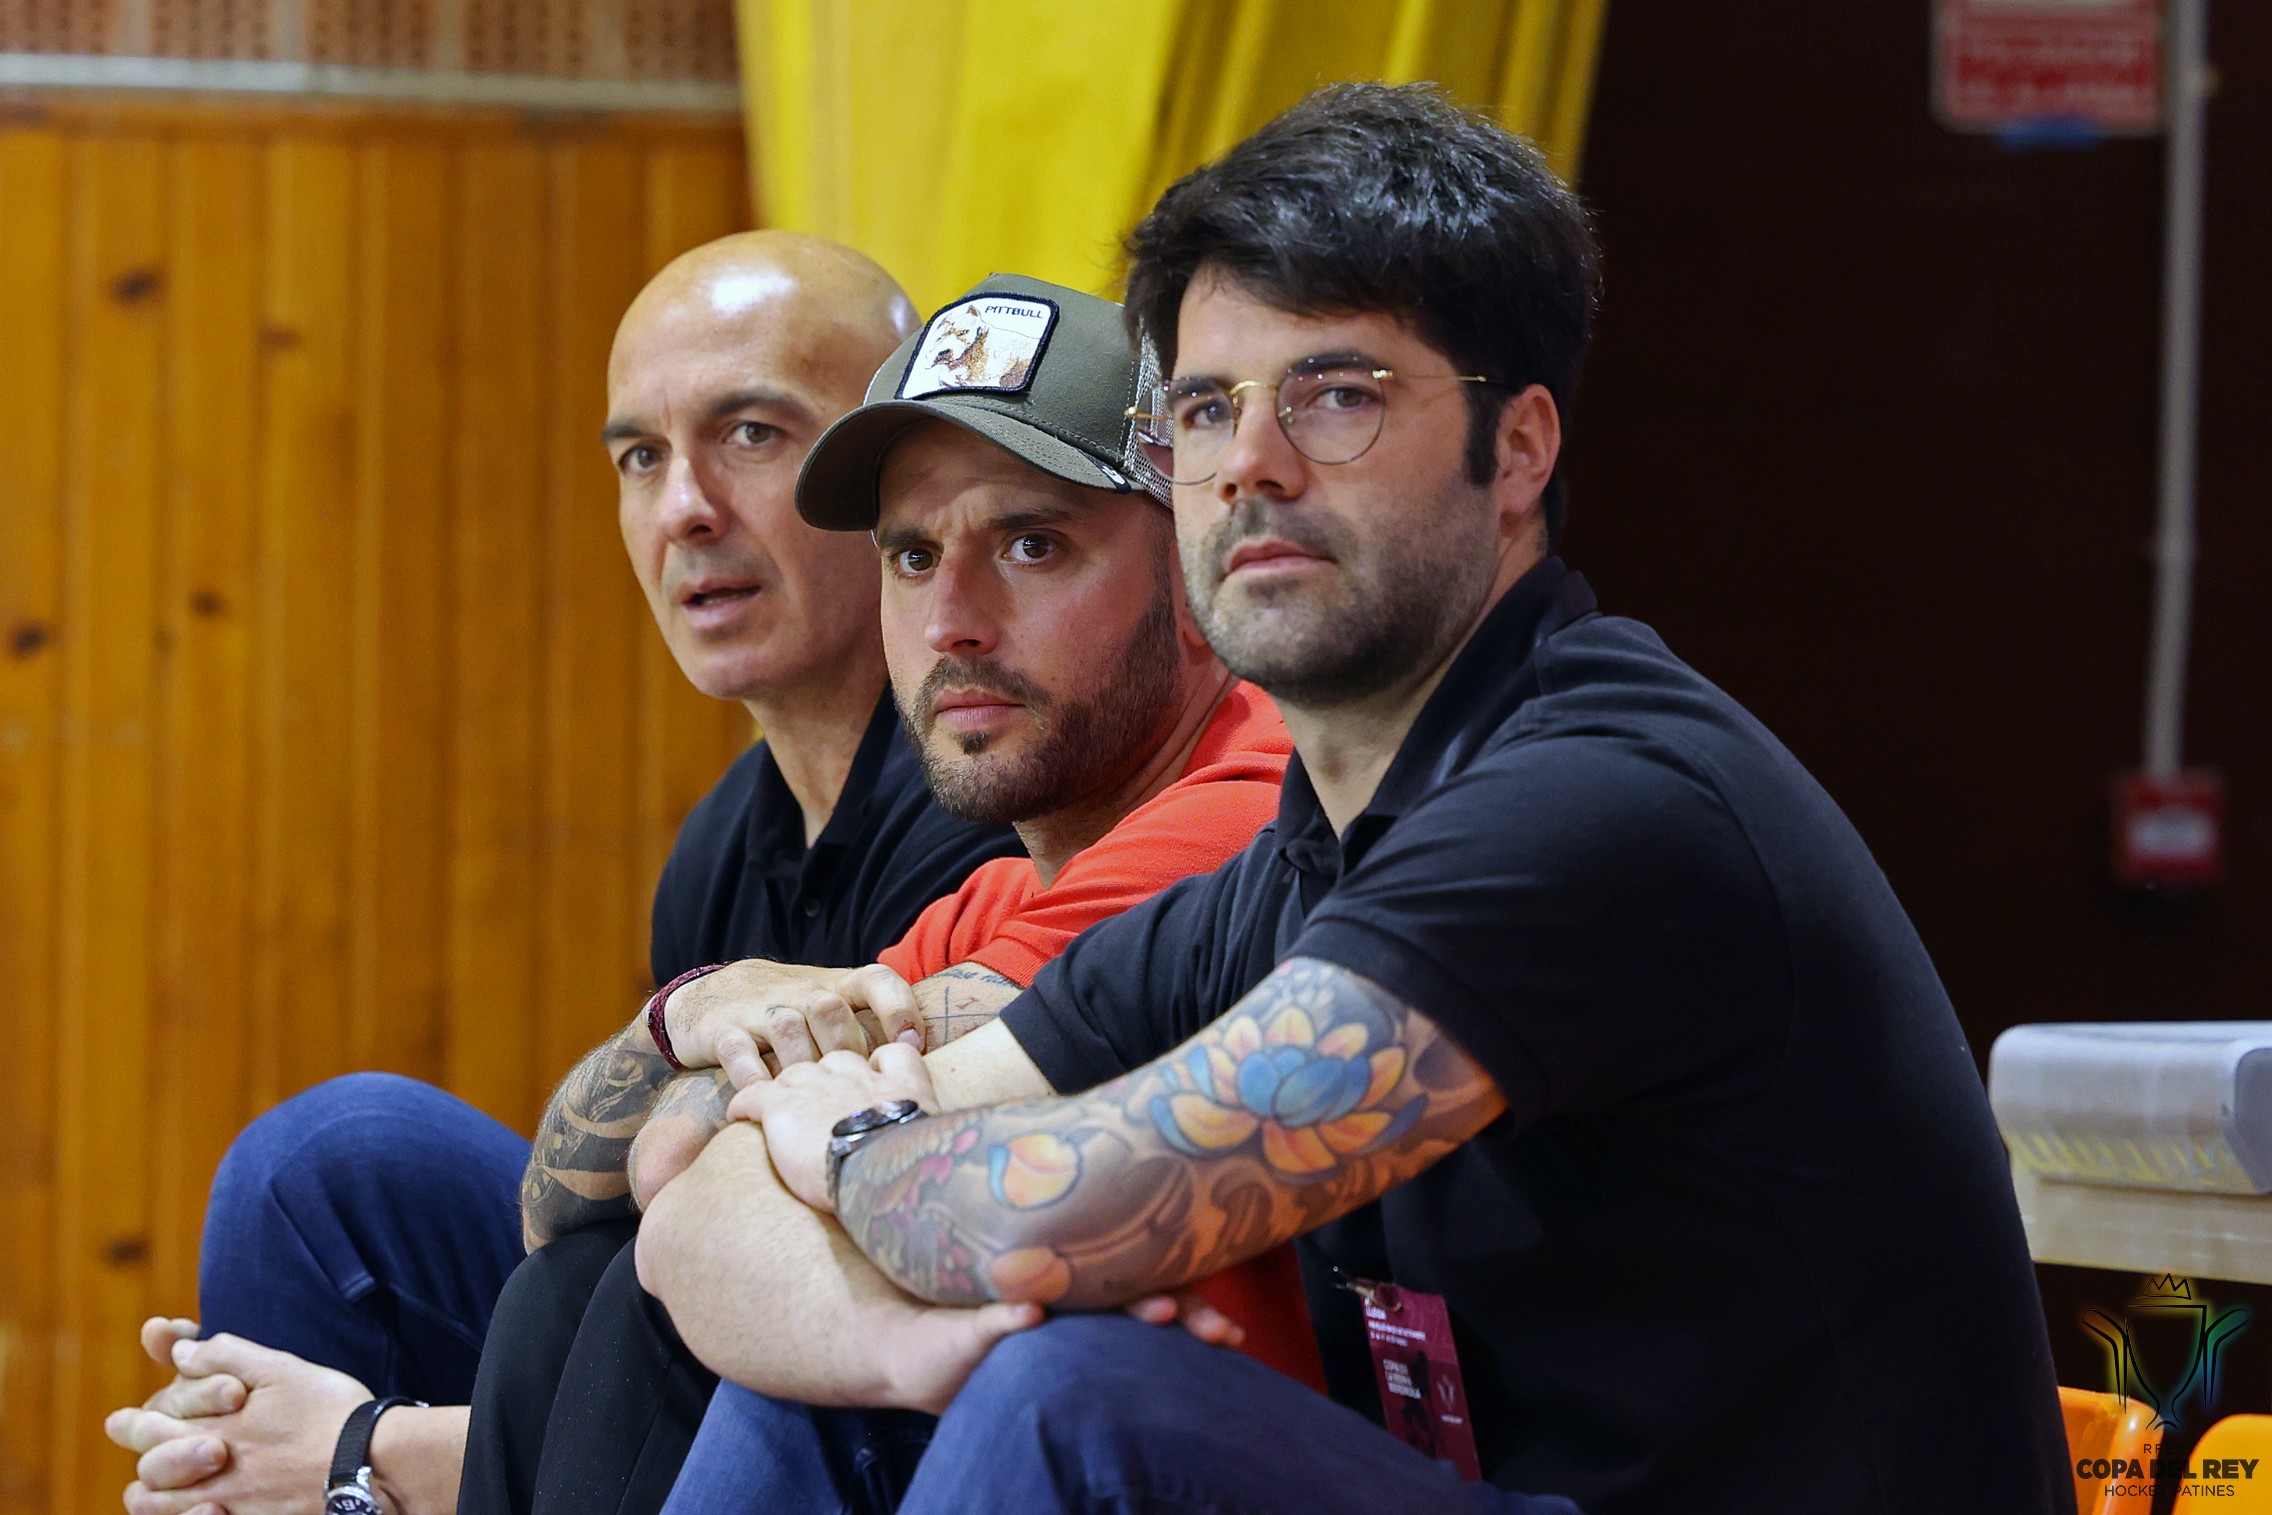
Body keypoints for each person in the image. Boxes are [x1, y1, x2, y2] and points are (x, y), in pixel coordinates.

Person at [640, 84, 2075, 1515]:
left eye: (1337, 395)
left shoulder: (1599, 800)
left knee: (1069, 1394)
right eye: (1205, 409)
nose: (1250, 467)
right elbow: (693, 1188)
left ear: (1518, 448)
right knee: (852, 1381)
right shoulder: (1287, 876)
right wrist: (901, 1344)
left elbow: (1073, 1208)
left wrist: (846, 1140)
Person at [101, 231, 1029, 1515]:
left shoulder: (994, 788)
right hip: (688, 1334)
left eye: (750, 433)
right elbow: (600, 1255)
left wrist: (368, 1453)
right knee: (330, 1171)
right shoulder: (724, 838)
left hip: (882, 1370)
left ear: (890, 474)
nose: (685, 506)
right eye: (640, 456)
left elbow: (839, 1311)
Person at [453, 275, 1319, 1515]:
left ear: (1192, 572)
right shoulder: (994, 892)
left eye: (1031, 544)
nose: (952, 620)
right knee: (500, 1251)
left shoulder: (1258, 804)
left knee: (778, 1338)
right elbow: (614, 1187)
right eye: (913, 557)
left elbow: (692, 1160)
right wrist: (687, 1014)